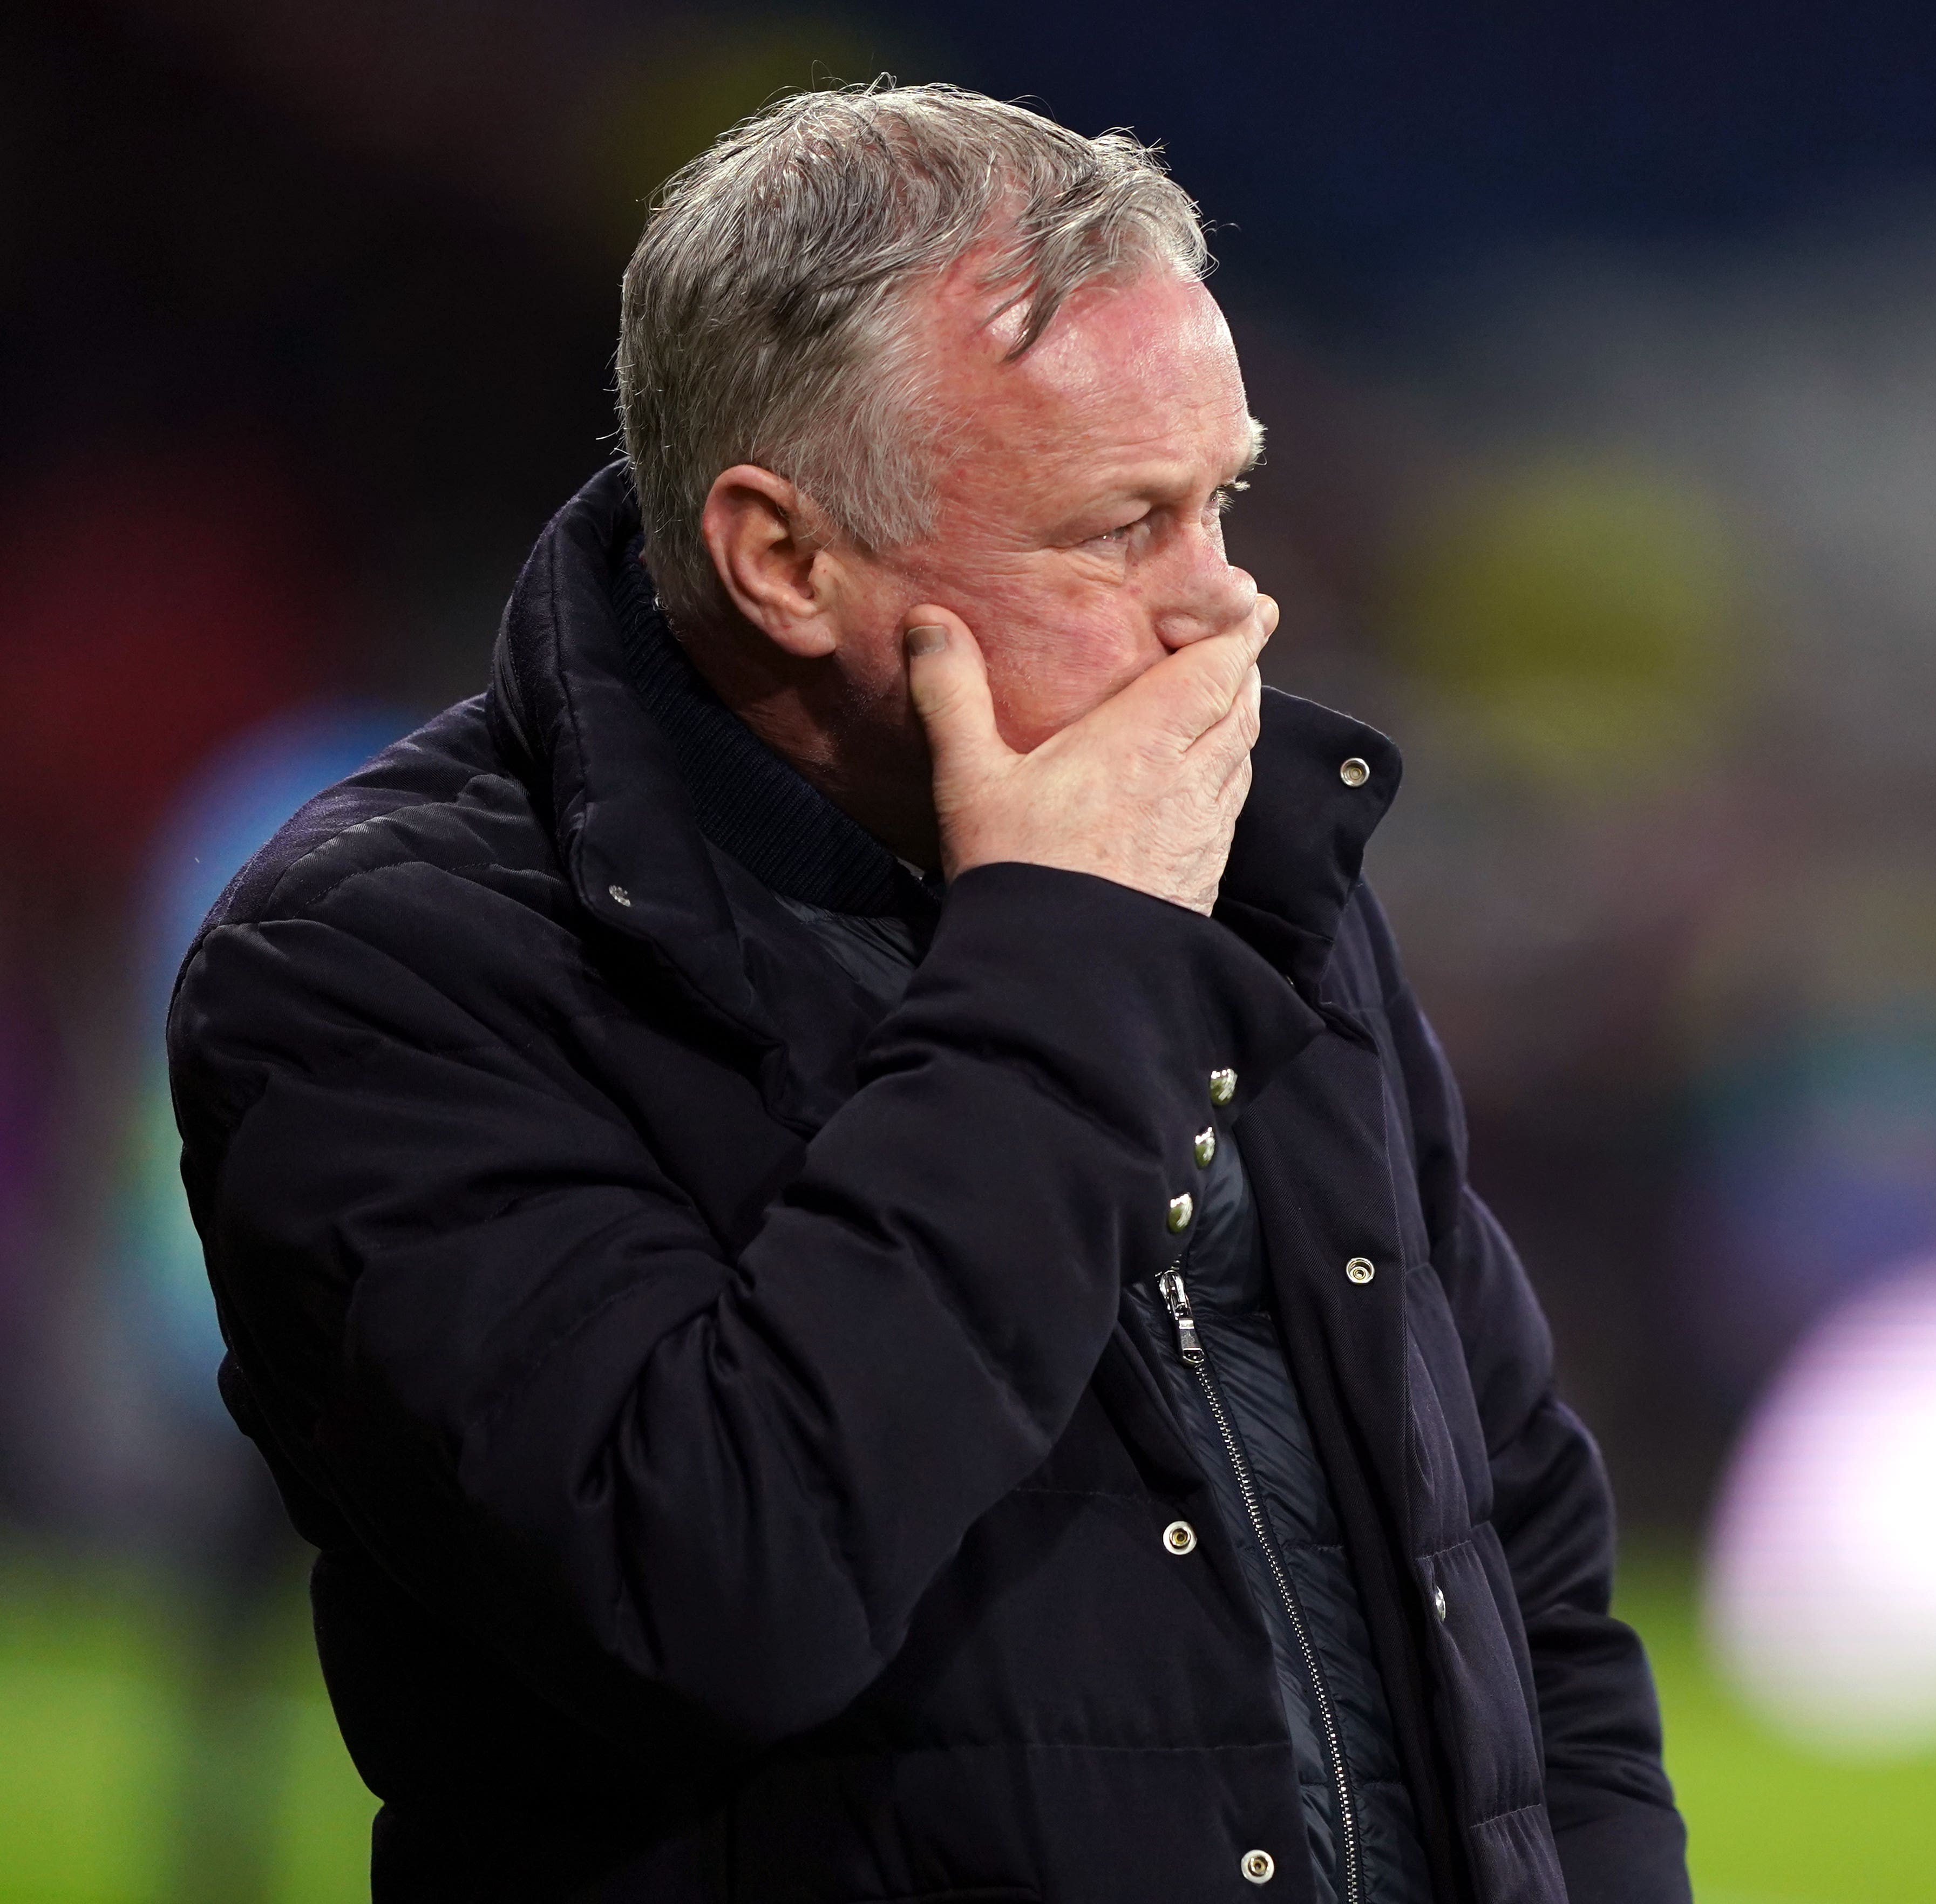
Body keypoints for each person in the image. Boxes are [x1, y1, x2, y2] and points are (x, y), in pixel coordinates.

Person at [166, 81, 1687, 1904]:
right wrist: (1067, 953)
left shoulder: (1250, 870)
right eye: (1120, 526)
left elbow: (1507, 1573)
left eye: (1226, 501)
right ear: (784, 559)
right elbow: (708, 1590)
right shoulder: (383, 963)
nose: (1229, 611)